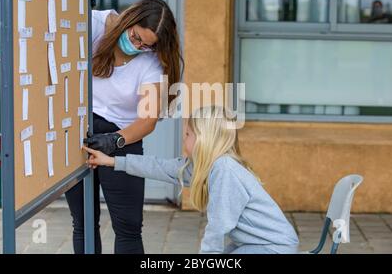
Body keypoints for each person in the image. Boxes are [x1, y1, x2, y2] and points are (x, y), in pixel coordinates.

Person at [83, 106, 300, 254]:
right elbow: (160, 166)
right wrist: (110, 161)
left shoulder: (225, 170)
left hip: (274, 247)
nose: (183, 138)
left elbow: (217, 227)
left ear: (204, 139)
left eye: (187, 135)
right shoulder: (205, 166)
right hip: (256, 244)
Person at [65, 0, 183, 254]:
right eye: (136, 37)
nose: (137, 46)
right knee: (83, 224)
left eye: (146, 45)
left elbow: (148, 120)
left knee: (128, 228)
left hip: (122, 140)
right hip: (80, 134)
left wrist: (114, 140)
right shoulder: (95, 26)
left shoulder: (150, 63)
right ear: (129, 21)